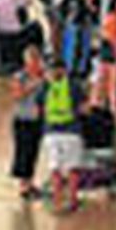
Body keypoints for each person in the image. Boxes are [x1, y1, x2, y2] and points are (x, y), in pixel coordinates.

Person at [41, 58, 85, 213]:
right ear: (65, 70)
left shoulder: (45, 86)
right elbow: (84, 107)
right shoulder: (74, 86)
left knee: (55, 169)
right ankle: (73, 200)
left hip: (51, 133)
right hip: (72, 132)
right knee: (73, 169)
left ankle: (57, 201)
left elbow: (39, 108)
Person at [10, 46, 47, 200]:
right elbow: (17, 95)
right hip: (23, 119)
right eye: (32, 60)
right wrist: (34, 85)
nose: (36, 63)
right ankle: (23, 186)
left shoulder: (44, 76)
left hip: (38, 119)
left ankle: (30, 183)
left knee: (33, 152)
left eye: (37, 59)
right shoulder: (20, 76)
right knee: (23, 152)